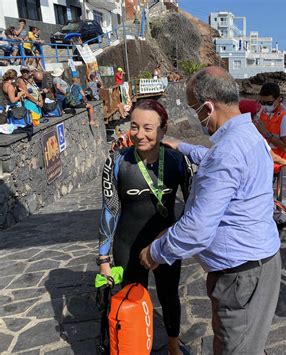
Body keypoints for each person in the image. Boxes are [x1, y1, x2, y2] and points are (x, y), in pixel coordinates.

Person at [139, 66, 281, 355]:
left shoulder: (228, 151)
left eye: (195, 110)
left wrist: (155, 252)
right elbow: (221, 164)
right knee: (250, 345)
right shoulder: (251, 137)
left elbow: (197, 230)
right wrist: (185, 146)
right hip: (262, 261)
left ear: (207, 107)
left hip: (239, 274)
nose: (197, 117)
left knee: (234, 349)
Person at [98, 99, 192, 355]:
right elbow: (110, 209)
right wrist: (103, 259)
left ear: (163, 130)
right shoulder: (116, 162)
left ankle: (173, 345)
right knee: (130, 302)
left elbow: (193, 206)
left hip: (166, 245)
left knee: (169, 296)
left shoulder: (178, 161)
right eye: (134, 127)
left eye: (148, 128)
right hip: (127, 245)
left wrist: (173, 236)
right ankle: (134, 347)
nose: (140, 135)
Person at [239, 98, 286, 166]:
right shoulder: (253, 134)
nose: (259, 115)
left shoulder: (235, 130)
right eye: (257, 113)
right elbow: (274, 157)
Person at [257, 82, 286, 174]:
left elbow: (285, 147)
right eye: (263, 102)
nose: (265, 105)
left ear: (278, 99)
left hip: (273, 167)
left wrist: (266, 133)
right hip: (259, 163)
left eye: (269, 103)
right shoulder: (262, 111)